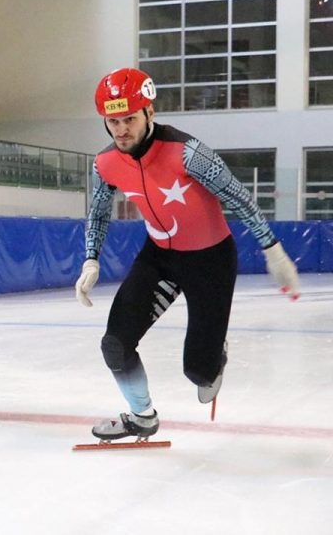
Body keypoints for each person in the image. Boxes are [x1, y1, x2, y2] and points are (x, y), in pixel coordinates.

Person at [75, 68, 300, 441]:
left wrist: (273, 250)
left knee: (199, 373)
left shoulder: (189, 153)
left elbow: (238, 197)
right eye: (112, 121)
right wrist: (91, 258)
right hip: (159, 257)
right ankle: (141, 416)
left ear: (150, 112)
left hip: (210, 259)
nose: (120, 130)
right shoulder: (105, 163)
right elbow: (98, 210)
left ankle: (214, 355)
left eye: (129, 118)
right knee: (115, 344)